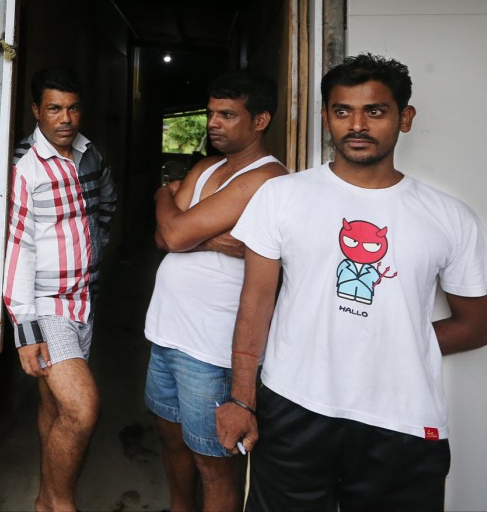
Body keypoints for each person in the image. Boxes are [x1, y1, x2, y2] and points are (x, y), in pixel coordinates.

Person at [216, 53, 487, 511]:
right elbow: (256, 303)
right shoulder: (282, 196)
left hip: (401, 421)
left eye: (375, 111)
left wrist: (396, 337)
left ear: (405, 118)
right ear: (326, 117)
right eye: (343, 111)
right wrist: (241, 400)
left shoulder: (449, 218)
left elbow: (475, 324)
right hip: (292, 407)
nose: (356, 125)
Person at [144, 70, 287, 511]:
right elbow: (165, 236)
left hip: (212, 350)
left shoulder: (267, 179)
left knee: (215, 463)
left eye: (227, 114)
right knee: (170, 441)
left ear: (259, 121)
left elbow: (176, 232)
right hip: (166, 334)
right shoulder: (207, 167)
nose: (213, 123)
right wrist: (162, 198)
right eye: (211, 113)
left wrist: (173, 211)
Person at [4, 66, 116, 512]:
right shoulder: (25, 167)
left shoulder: (91, 155)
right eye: (54, 108)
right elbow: (18, 247)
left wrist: (96, 249)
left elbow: (105, 204)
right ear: (37, 111)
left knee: (54, 408)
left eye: (72, 108)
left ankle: (43, 501)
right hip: (46, 305)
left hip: (83, 300)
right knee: (83, 408)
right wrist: (25, 331)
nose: (65, 118)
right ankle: (61, 504)